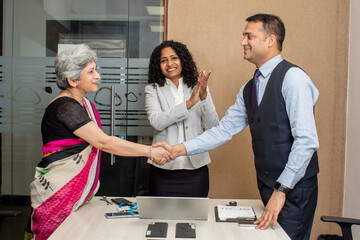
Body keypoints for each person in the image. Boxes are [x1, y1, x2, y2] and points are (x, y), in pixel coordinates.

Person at [154, 14, 319, 240]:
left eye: (249, 36)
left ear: (270, 40)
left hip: (293, 190)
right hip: (269, 188)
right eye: (244, 36)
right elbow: (223, 130)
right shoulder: (249, 88)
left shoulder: (293, 78)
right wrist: (177, 149)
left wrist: (282, 191)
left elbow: (306, 141)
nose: (243, 42)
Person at [29, 44, 173, 240]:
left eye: (96, 69)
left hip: (75, 197)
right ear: (72, 80)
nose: (97, 76)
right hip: (59, 195)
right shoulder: (65, 107)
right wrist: (151, 151)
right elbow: (104, 143)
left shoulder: (82, 104)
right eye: (91, 71)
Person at [145, 40, 219, 197]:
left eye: (174, 58)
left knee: (195, 220)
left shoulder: (198, 86)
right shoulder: (153, 89)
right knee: (161, 218)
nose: (169, 63)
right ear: (157, 65)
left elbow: (212, 126)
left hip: (196, 171)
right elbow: (157, 121)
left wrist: (204, 97)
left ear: (183, 60)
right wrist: (189, 103)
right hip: (162, 169)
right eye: (163, 60)